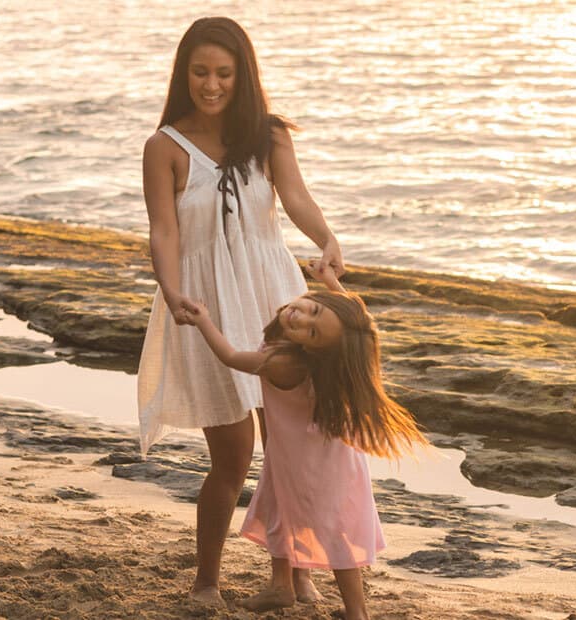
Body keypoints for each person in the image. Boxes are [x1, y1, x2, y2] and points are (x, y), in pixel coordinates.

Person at [136, 16, 345, 607]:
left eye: (224, 73)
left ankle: (292, 575)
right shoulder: (165, 147)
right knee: (232, 457)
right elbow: (163, 232)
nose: (211, 84)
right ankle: (207, 582)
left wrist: (325, 237)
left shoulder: (270, 135)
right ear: (184, 74)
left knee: (287, 448)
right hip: (205, 306)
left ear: (242, 75)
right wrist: (171, 290)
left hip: (273, 297)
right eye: (200, 72)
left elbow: (296, 198)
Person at [185, 260, 429, 619]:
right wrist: (331, 281)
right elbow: (354, 323)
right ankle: (281, 587)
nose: (301, 318)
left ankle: (357, 612)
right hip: (326, 461)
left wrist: (203, 319)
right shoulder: (334, 354)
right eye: (312, 308)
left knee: (334, 534)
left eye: (311, 332)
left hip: (305, 466)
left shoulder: (284, 361)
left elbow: (231, 357)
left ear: (315, 349)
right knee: (284, 515)